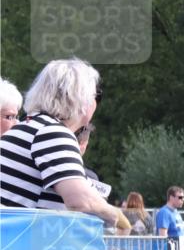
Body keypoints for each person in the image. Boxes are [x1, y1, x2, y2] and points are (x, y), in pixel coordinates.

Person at [0, 59, 128, 231]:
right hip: (21, 245)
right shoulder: (52, 133)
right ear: (81, 100)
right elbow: (81, 201)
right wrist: (120, 220)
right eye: (94, 95)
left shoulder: (25, 128)